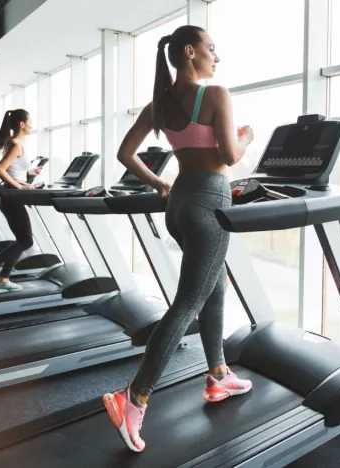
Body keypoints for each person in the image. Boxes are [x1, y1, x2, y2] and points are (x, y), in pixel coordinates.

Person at [102, 25, 255, 453]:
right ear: (190, 52)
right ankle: (133, 399)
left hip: (179, 202)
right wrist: (245, 137)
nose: (216, 58)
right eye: (211, 49)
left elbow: (124, 154)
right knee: (189, 301)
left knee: (215, 286)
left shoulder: (160, 104)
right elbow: (228, 156)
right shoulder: (216, 95)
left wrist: (157, 183)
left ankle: (218, 375)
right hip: (209, 201)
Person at [0, 109, 43, 294]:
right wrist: (19, 187)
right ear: (22, 124)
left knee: (22, 240)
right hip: (12, 198)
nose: (32, 126)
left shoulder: (16, 144)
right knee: (26, 241)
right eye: (30, 122)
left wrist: (27, 177)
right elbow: (0, 170)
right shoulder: (16, 145)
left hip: (11, 196)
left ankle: (3, 279)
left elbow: (11, 172)